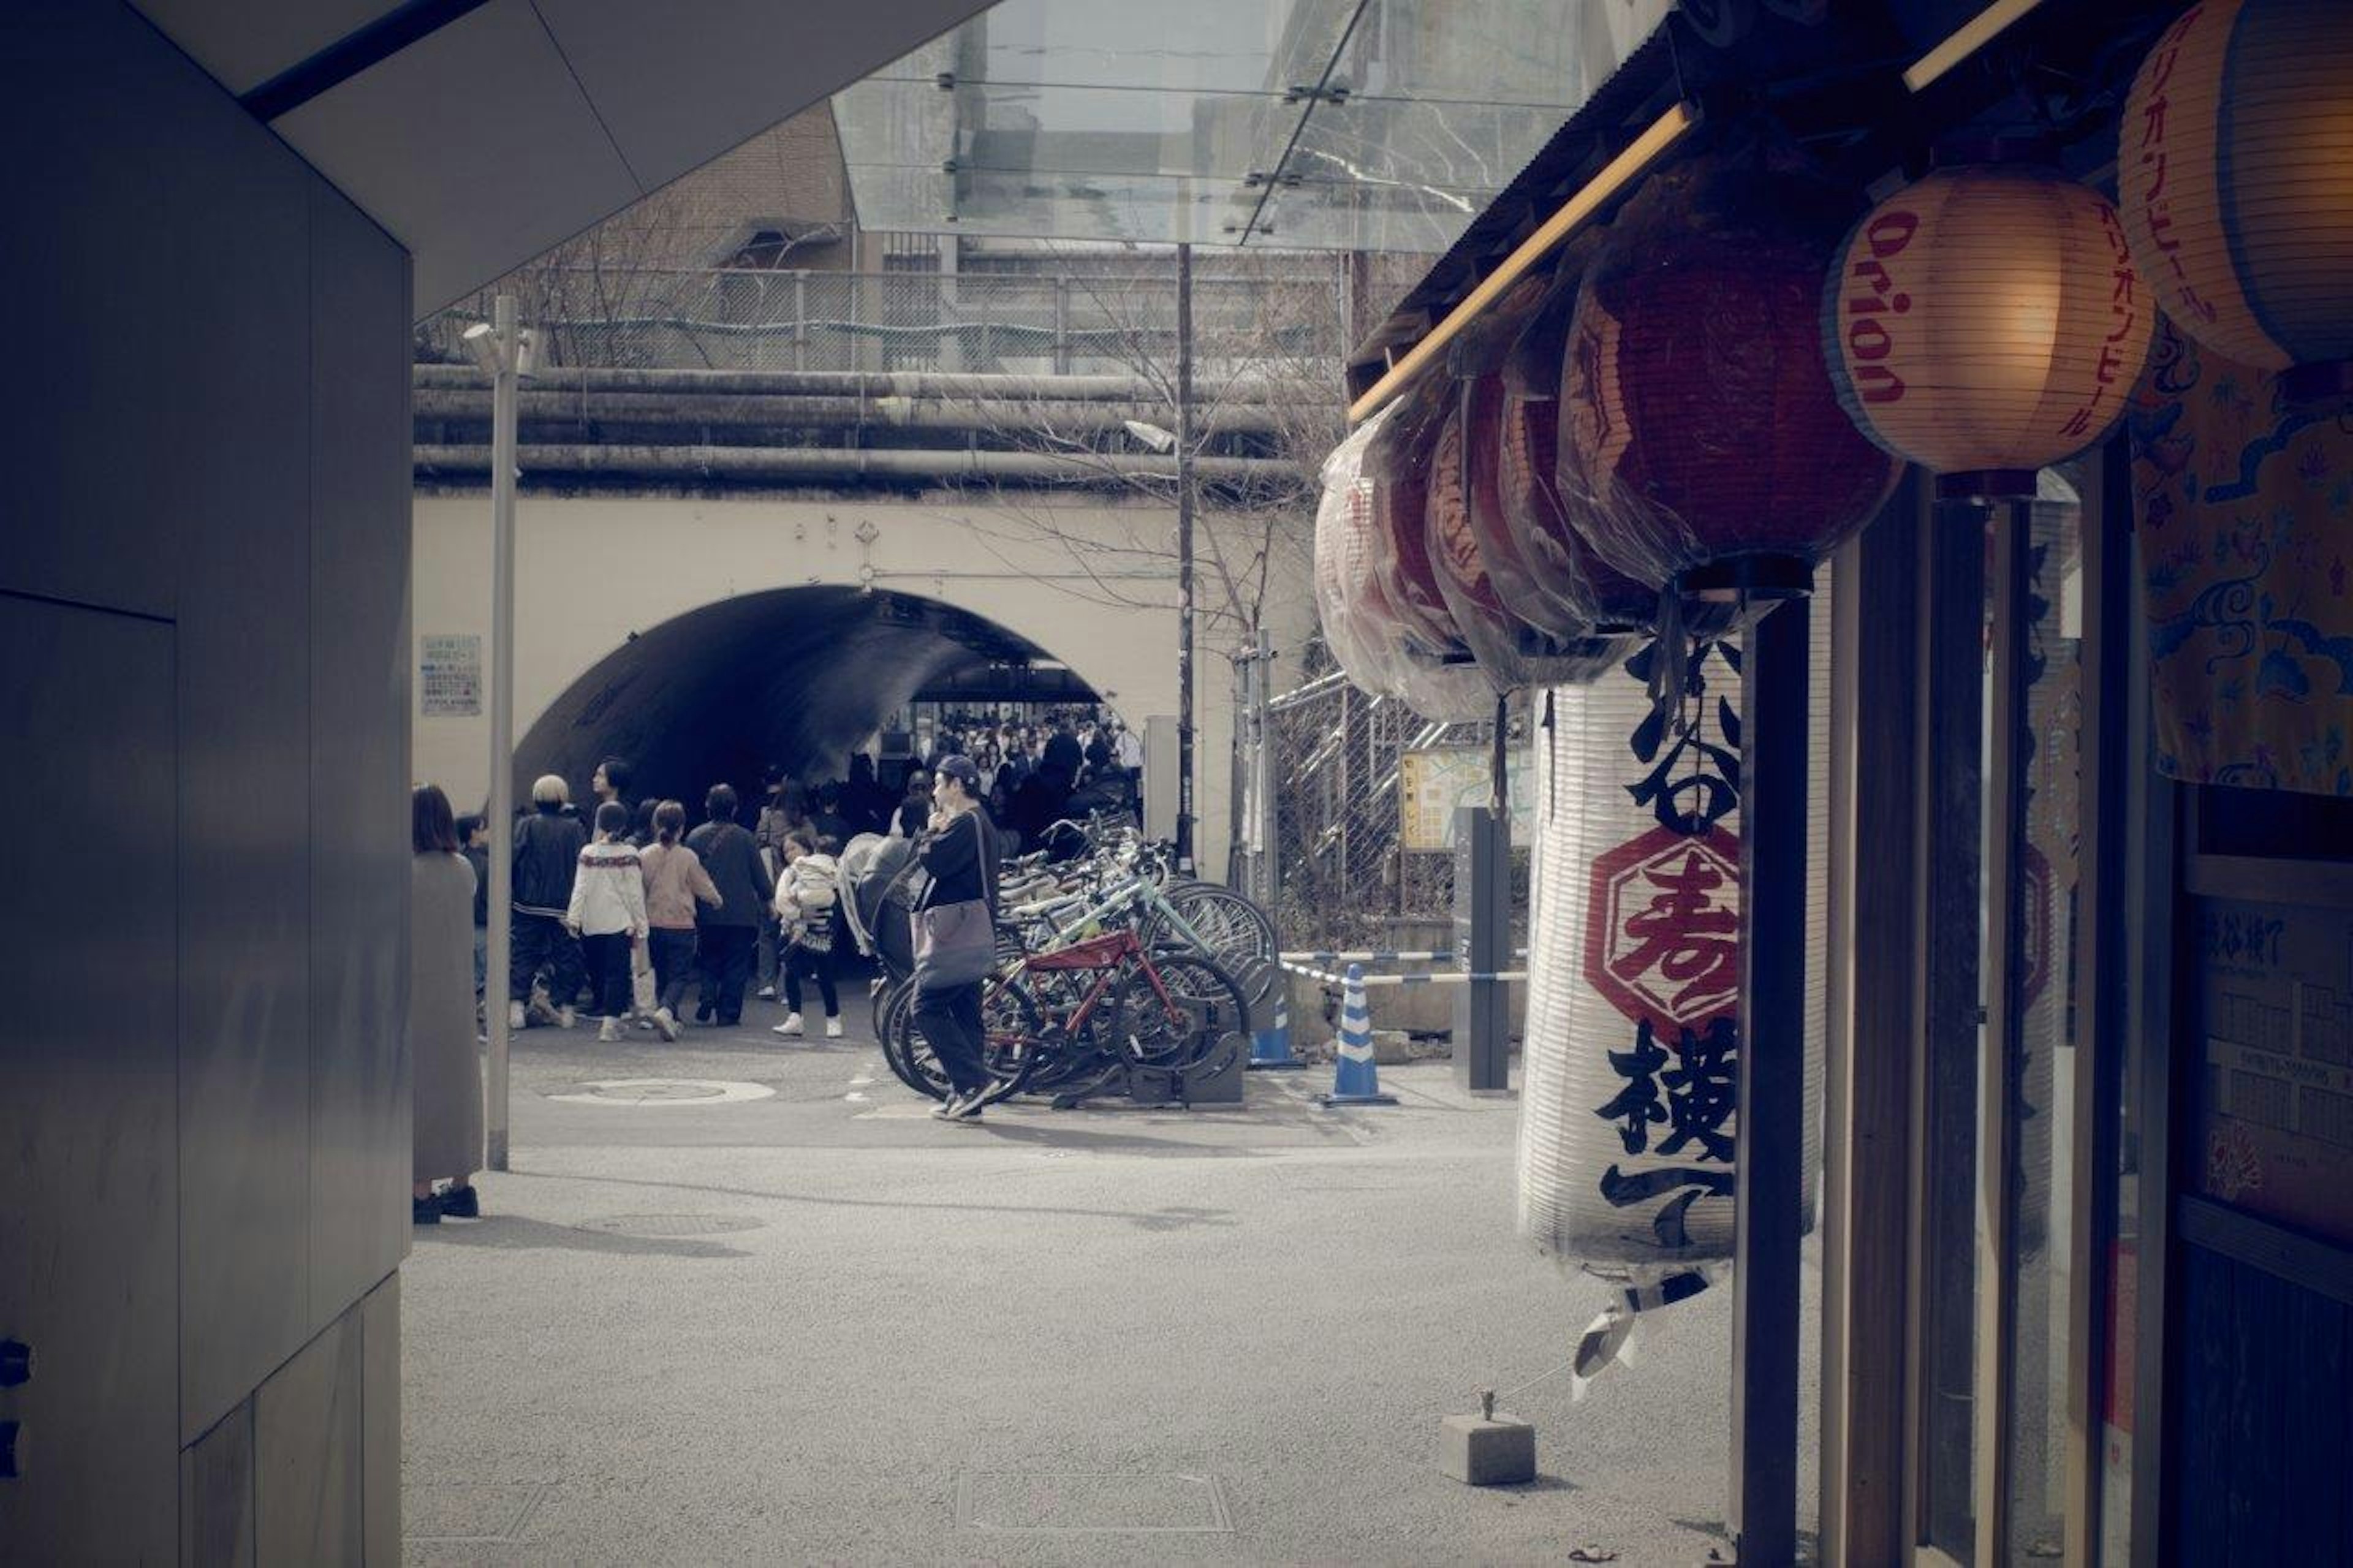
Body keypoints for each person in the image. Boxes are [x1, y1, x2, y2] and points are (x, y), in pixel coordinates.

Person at [911, 755, 999, 1123]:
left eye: (938, 783)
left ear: (957, 786)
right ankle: (967, 1100)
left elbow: (934, 861)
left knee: (925, 1007)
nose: (933, 790)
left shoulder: (965, 824)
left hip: (955, 933)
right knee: (966, 1014)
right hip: (974, 930)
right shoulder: (981, 823)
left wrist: (931, 830)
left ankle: (974, 1081)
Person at [411, 784, 483, 1224]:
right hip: (459, 993)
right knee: (460, 1088)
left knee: (421, 1090)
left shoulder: (403, 871)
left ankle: (419, 1192)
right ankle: (462, 1187)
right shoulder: (464, 870)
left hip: (417, 993)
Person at [687, 783, 771, 1026]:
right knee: (737, 963)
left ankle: (708, 994)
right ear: (735, 809)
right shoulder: (746, 838)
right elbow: (759, 877)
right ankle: (729, 1013)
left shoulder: (694, 837)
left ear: (707, 807)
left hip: (707, 912)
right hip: (741, 914)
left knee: (709, 957)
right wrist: (768, 900)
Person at [510, 774, 588, 1029]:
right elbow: (581, 864)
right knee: (566, 956)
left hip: (528, 902)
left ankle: (517, 1007)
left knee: (524, 953)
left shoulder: (526, 824)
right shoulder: (574, 827)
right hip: (563, 903)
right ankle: (566, 1008)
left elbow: (514, 857)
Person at [566, 800, 648, 1043]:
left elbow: (579, 888)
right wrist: (642, 923)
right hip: (620, 922)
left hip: (592, 921)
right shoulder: (629, 854)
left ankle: (612, 1019)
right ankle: (611, 1023)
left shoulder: (588, 853)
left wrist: (574, 918)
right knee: (617, 973)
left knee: (599, 971)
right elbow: (635, 893)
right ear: (624, 825)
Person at [638, 800, 719, 1040]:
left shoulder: (644, 855)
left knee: (662, 972)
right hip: (681, 925)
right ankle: (666, 1011)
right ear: (681, 828)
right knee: (679, 975)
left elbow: (638, 889)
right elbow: (703, 886)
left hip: (653, 924)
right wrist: (716, 900)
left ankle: (670, 1018)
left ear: (655, 825)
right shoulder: (687, 857)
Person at [771, 828, 843, 1039]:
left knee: (825, 975)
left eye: (793, 848)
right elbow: (781, 899)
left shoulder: (826, 869)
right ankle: (795, 1017)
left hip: (822, 930)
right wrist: (800, 913)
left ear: (807, 848)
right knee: (791, 972)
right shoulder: (791, 872)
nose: (790, 854)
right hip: (796, 931)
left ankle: (833, 1018)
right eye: (786, 851)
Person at [456, 812, 490, 1001]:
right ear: (474, 833)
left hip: (463, 924)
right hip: (482, 924)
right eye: (482, 828)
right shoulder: (486, 862)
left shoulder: (458, 860)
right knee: (486, 972)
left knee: (469, 973)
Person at [893, 768, 933, 838]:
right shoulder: (901, 811)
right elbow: (895, 839)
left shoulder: (939, 810)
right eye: (916, 788)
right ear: (909, 789)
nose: (920, 793)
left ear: (931, 789)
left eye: (924, 788)